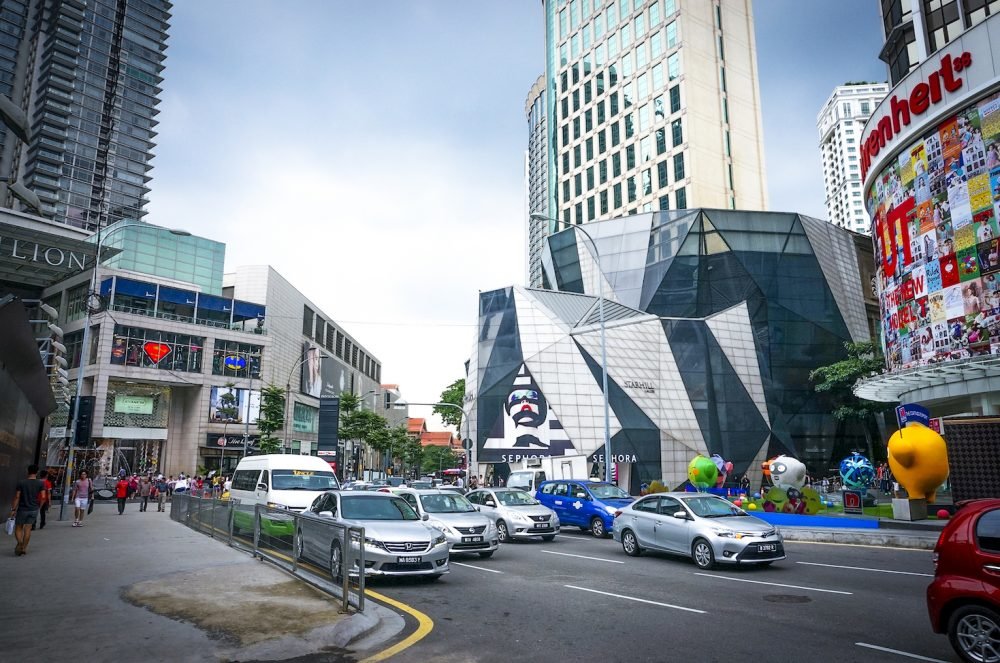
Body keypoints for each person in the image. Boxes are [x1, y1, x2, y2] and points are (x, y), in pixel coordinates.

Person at [9, 464, 47, 556]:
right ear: (37, 472)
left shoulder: (21, 483)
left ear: (27, 471)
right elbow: (43, 497)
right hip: (34, 509)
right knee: (28, 529)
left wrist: (13, 509)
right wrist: (39, 507)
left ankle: (20, 543)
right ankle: (24, 548)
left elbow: (17, 496)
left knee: (18, 528)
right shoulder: (40, 483)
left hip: (22, 509)